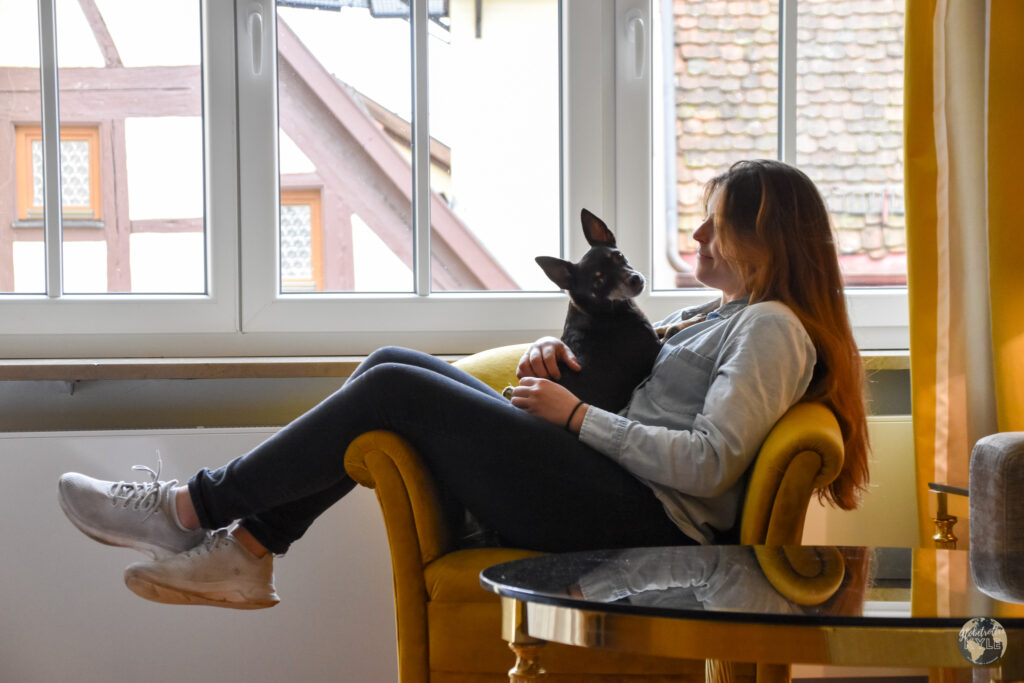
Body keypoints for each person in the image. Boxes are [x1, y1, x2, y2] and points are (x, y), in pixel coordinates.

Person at [57, 159, 870, 609]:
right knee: (390, 363)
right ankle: (248, 546)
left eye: (716, 218)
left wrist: (577, 416)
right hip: (611, 485)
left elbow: (708, 464)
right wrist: (560, 367)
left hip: (648, 526)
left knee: (392, 394)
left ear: (764, 235)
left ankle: (191, 509)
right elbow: (646, 397)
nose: (696, 231)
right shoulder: (724, 312)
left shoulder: (772, 328)